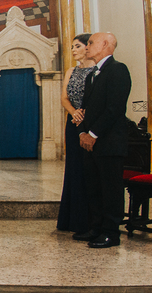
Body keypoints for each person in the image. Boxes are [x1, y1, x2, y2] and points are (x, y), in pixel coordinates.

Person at [75, 32, 132, 249]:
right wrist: (81, 131)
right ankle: (96, 227)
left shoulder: (118, 70)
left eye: (90, 43)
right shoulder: (92, 74)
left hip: (109, 143)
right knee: (94, 187)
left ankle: (111, 232)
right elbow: (85, 109)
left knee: (110, 189)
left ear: (105, 44)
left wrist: (93, 134)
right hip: (90, 143)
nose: (87, 47)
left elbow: (115, 108)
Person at [56, 34, 95, 233]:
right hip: (73, 122)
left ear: (88, 47)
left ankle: (88, 219)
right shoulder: (71, 71)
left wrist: (85, 114)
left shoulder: (97, 71)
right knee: (74, 168)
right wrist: (74, 113)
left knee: (89, 169)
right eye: (72, 46)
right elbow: (64, 97)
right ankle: (71, 219)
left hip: (91, 123)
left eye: (77, 46)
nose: (73, 50)